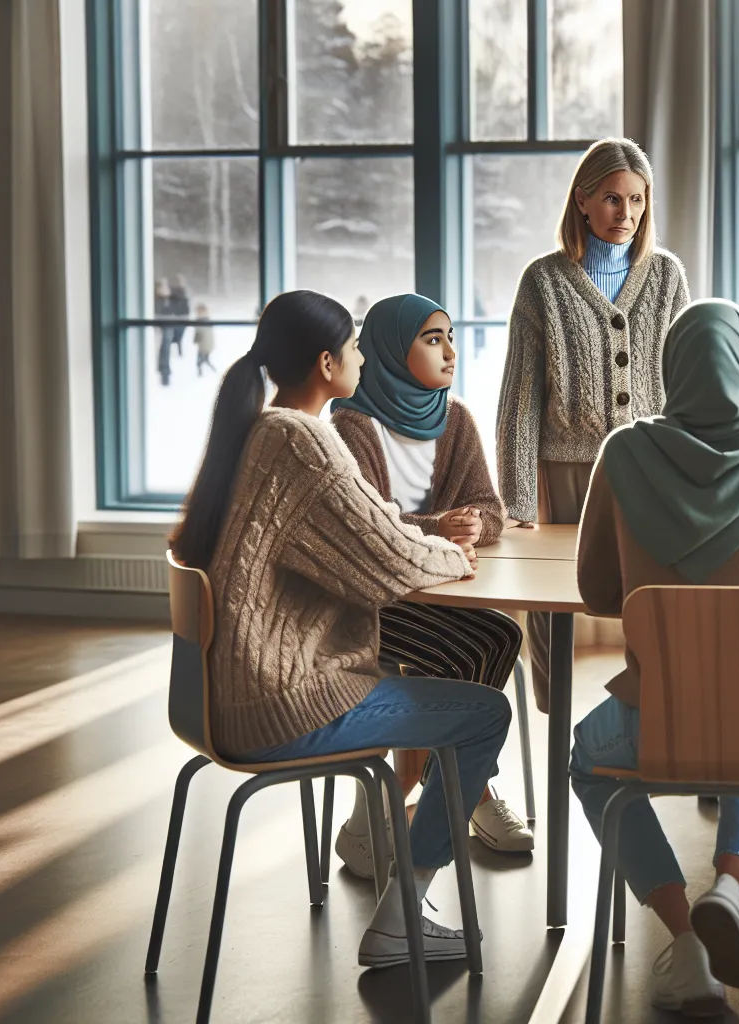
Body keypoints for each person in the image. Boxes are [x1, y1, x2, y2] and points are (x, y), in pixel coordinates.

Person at [168, 289, 510, 968]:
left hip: (223, 700)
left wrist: (430, 541)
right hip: (283, 705)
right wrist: (454, 554)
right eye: (353, 348)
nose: (359, 359)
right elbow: (389, 558)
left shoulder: (259, 430)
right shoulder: (304, 442)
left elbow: (371, 538)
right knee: (484, 715)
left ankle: (388, 854)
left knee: (474, 657)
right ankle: (401, 916)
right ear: (326, 364)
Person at [570, 300, 739, 1015]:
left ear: (670, 367)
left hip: (654, 720)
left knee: (586, 760)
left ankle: (686, 941)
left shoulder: (623, 451)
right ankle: (730, 890)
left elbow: (596, 590)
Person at [328, 293, 534, 857]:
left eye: (450, 338)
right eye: (432, 339)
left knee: (500, 635)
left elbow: (488, 507)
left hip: (436, 590)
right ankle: (437, 796)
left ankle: (452, 790)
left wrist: (472, 524)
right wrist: (437, 528)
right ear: (392, 350)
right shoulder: (351, 425)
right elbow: (366, 529)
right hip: (371, 601)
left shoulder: (455, 417)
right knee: (474, 647)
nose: (450, 352)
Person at [494, 137, 691, 712]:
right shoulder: (544, 281)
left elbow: (687, 381)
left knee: (653, 592)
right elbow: (520, 399)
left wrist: (690, 468)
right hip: (566, 469)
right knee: (552, 593)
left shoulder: (666, 276)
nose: (625, 214)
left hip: (652, 466)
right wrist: (519, 499)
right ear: (582, 200)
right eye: (611, 198)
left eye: (637, 199)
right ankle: (553, 711)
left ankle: (656, 707)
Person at [154, 278, 175, 387]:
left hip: (167, 329)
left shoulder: (168, 300)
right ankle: (164, 374)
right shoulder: (158, 301)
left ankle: (165, 375)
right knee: (163, 352)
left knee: (165, 351)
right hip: (162, 330)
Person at [193, 302, 216, 376]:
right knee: (205, 359)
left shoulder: (200, 320)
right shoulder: (207, 319)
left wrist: (196, 340)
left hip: (203, 345)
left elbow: (199, 332)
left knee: (199, 361)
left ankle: (200, 374)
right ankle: (213, 370)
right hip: (208, 344)